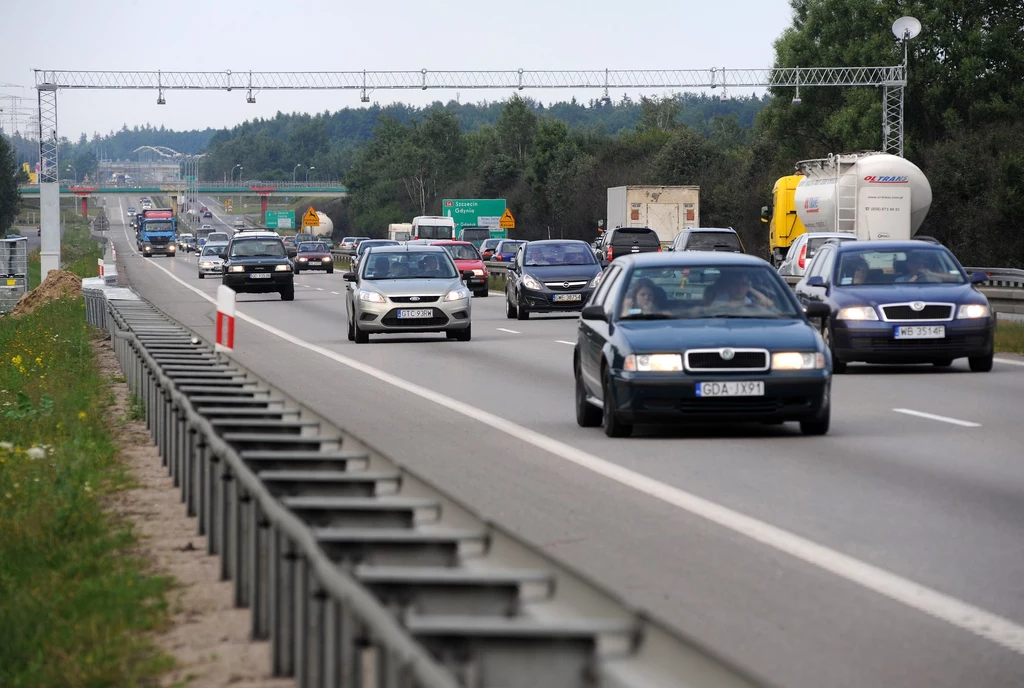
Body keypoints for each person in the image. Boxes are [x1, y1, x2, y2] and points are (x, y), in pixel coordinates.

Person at [703, 271, 775, 311]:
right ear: (729, 286)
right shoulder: (719, 302)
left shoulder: (751, 302)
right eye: (736, 284)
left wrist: (750, 288)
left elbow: (769, 304)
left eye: (744, 284)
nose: (740, 288)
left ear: (748, 287)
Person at [894, 251, 960, 283]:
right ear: (908, 265)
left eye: (922, 263)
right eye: (917, 263)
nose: (920, 265)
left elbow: (956, 278)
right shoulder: (900, 280)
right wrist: (910, 283)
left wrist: (931, 274)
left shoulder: (934, 277)